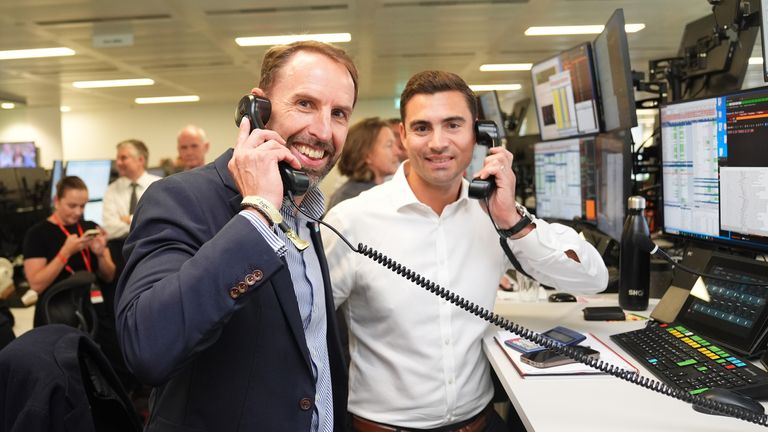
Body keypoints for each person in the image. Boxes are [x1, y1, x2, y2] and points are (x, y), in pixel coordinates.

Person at [322, 70, 609, 431]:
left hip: (480, 424)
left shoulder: (494, 214)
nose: (438, 142)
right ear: (404, 136)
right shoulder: (352, 221)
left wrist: (512, 221)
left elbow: (592, 279)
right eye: (423, 127)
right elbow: (300, 323)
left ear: (478, 134)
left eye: (453, 125)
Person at [114, 40, 358, 431]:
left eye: (339, 113)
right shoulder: (180, 198)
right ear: (257, 108)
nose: (323, 131)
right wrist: (258, 213)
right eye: (306, 104)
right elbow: (147, 347)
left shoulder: (306, 210)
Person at [22, 176, 116, 327]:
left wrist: (100, 255)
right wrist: (65, 253)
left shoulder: (90, 228)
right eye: (72, 206)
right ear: (56, 201)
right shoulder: (37, 234)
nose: (78, 212)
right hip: (56, 312)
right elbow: (36, 285)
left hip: (91, 307)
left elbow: (109, 276)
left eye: (83, 206)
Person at [327, 117, 399, 209]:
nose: (397, 152)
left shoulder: (378, 192)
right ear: (367, 155)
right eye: (389, 145)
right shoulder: (353, 199)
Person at [101, 139, 161, 241]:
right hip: (120, 250)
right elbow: (109, 228)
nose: (118, 163)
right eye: (117, 158)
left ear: (140, 160)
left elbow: (160, 223)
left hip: (154, 246)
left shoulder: (159, 185)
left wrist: (129, 219)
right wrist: (144, 223)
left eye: (123, 158)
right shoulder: (111, 189)